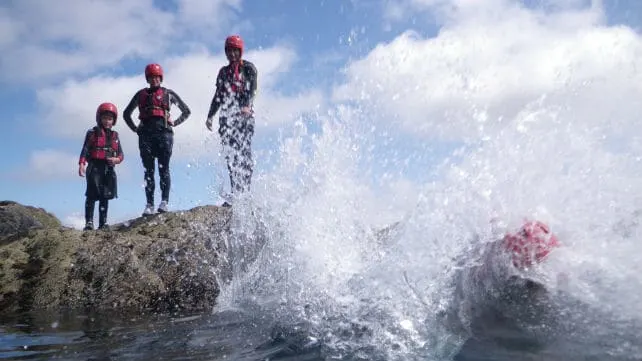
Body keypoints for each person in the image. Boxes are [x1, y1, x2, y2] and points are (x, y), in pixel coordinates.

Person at [123, 63, 191, 216]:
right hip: (145, 135)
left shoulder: (168, 93)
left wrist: (176, 122)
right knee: (149, 171)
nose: (154, 80)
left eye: (157, 77)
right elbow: (126, 114)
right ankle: (149, 204)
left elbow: (186, 111)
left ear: (161, 78)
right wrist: (135, 129)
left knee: (163, 169)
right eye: (151, 77)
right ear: (147, 79)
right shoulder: (140, 95)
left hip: (164, 134)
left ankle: (164, 201)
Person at [206, 35, 258, 206]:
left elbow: (252, 90)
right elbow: (218, 96)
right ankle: (236, 192)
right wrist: (210, 115)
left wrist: (246, 106)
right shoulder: (223, 72)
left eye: (235, 51)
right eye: (229, 51)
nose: (232, 54)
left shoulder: (248, 68)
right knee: (231, 156)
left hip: (244, 116)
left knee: (244, 154)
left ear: (240, 51)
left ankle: (246, 193)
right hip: (226, 118)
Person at [78, 102, 124, 231]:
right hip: (94, 167)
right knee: (91, 195)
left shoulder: (115, 136)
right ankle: (89, 222)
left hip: (108, 169)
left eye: (110, 119)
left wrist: (116, 159)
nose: (107, 121)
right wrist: (81, 163)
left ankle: (103, 223)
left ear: (113, 120)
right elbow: (85, 149)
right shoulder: (92, 133)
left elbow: (121, 154)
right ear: (99, 118)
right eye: (104, 118)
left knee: (105, 196)